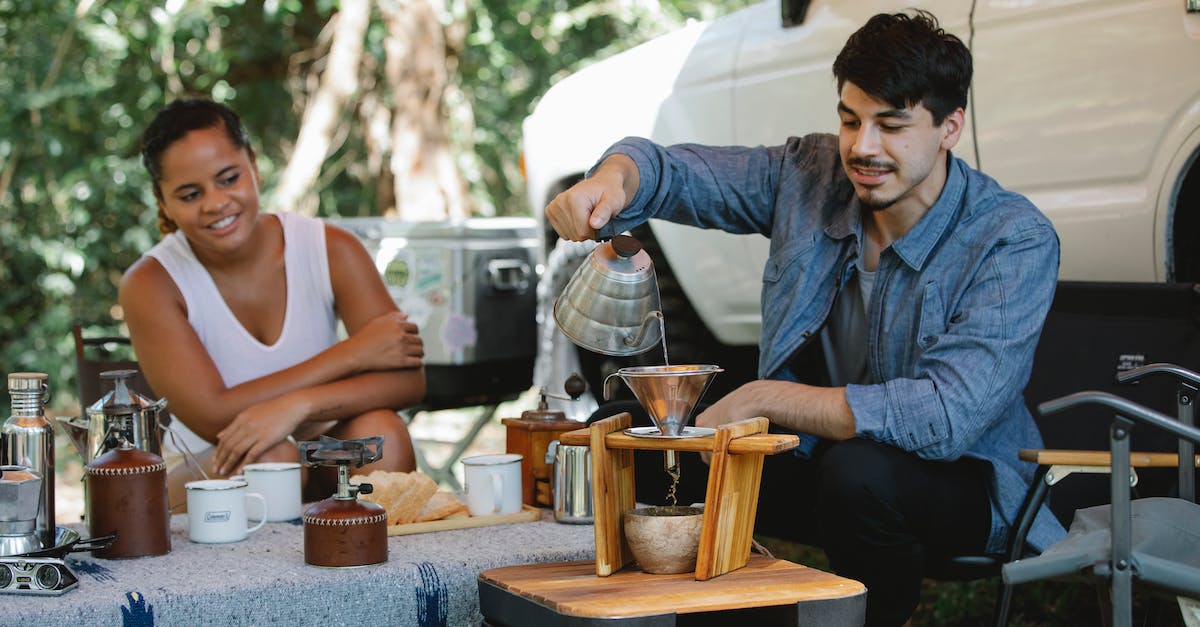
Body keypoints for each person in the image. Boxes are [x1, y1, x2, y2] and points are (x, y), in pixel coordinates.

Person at [546, 11, 1066, 626]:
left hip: (965, 484)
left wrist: (769, 397)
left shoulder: (1012, 238)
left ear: (950, 127)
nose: (863, 147)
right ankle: (683, 615)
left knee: (860, 472)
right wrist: (608, 181)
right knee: (639, 433)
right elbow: (677, 172)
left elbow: (946, 418)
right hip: (819, 461)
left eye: (892, 126)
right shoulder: (809, 174)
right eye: (850, 120)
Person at [120, 98, 425, 509]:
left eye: (228, 178)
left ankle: (368, 565)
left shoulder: (330, 249)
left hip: (318, 447)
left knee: (381, 433)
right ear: (164, 203)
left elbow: (409, 379)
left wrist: (297, 406)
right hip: (211, 470)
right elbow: (215, 418)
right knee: (272, 456)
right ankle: (270, 576)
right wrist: (352, 354)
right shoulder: (152, 282)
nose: (215, 203)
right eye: (190, 194)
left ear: (254, 166)